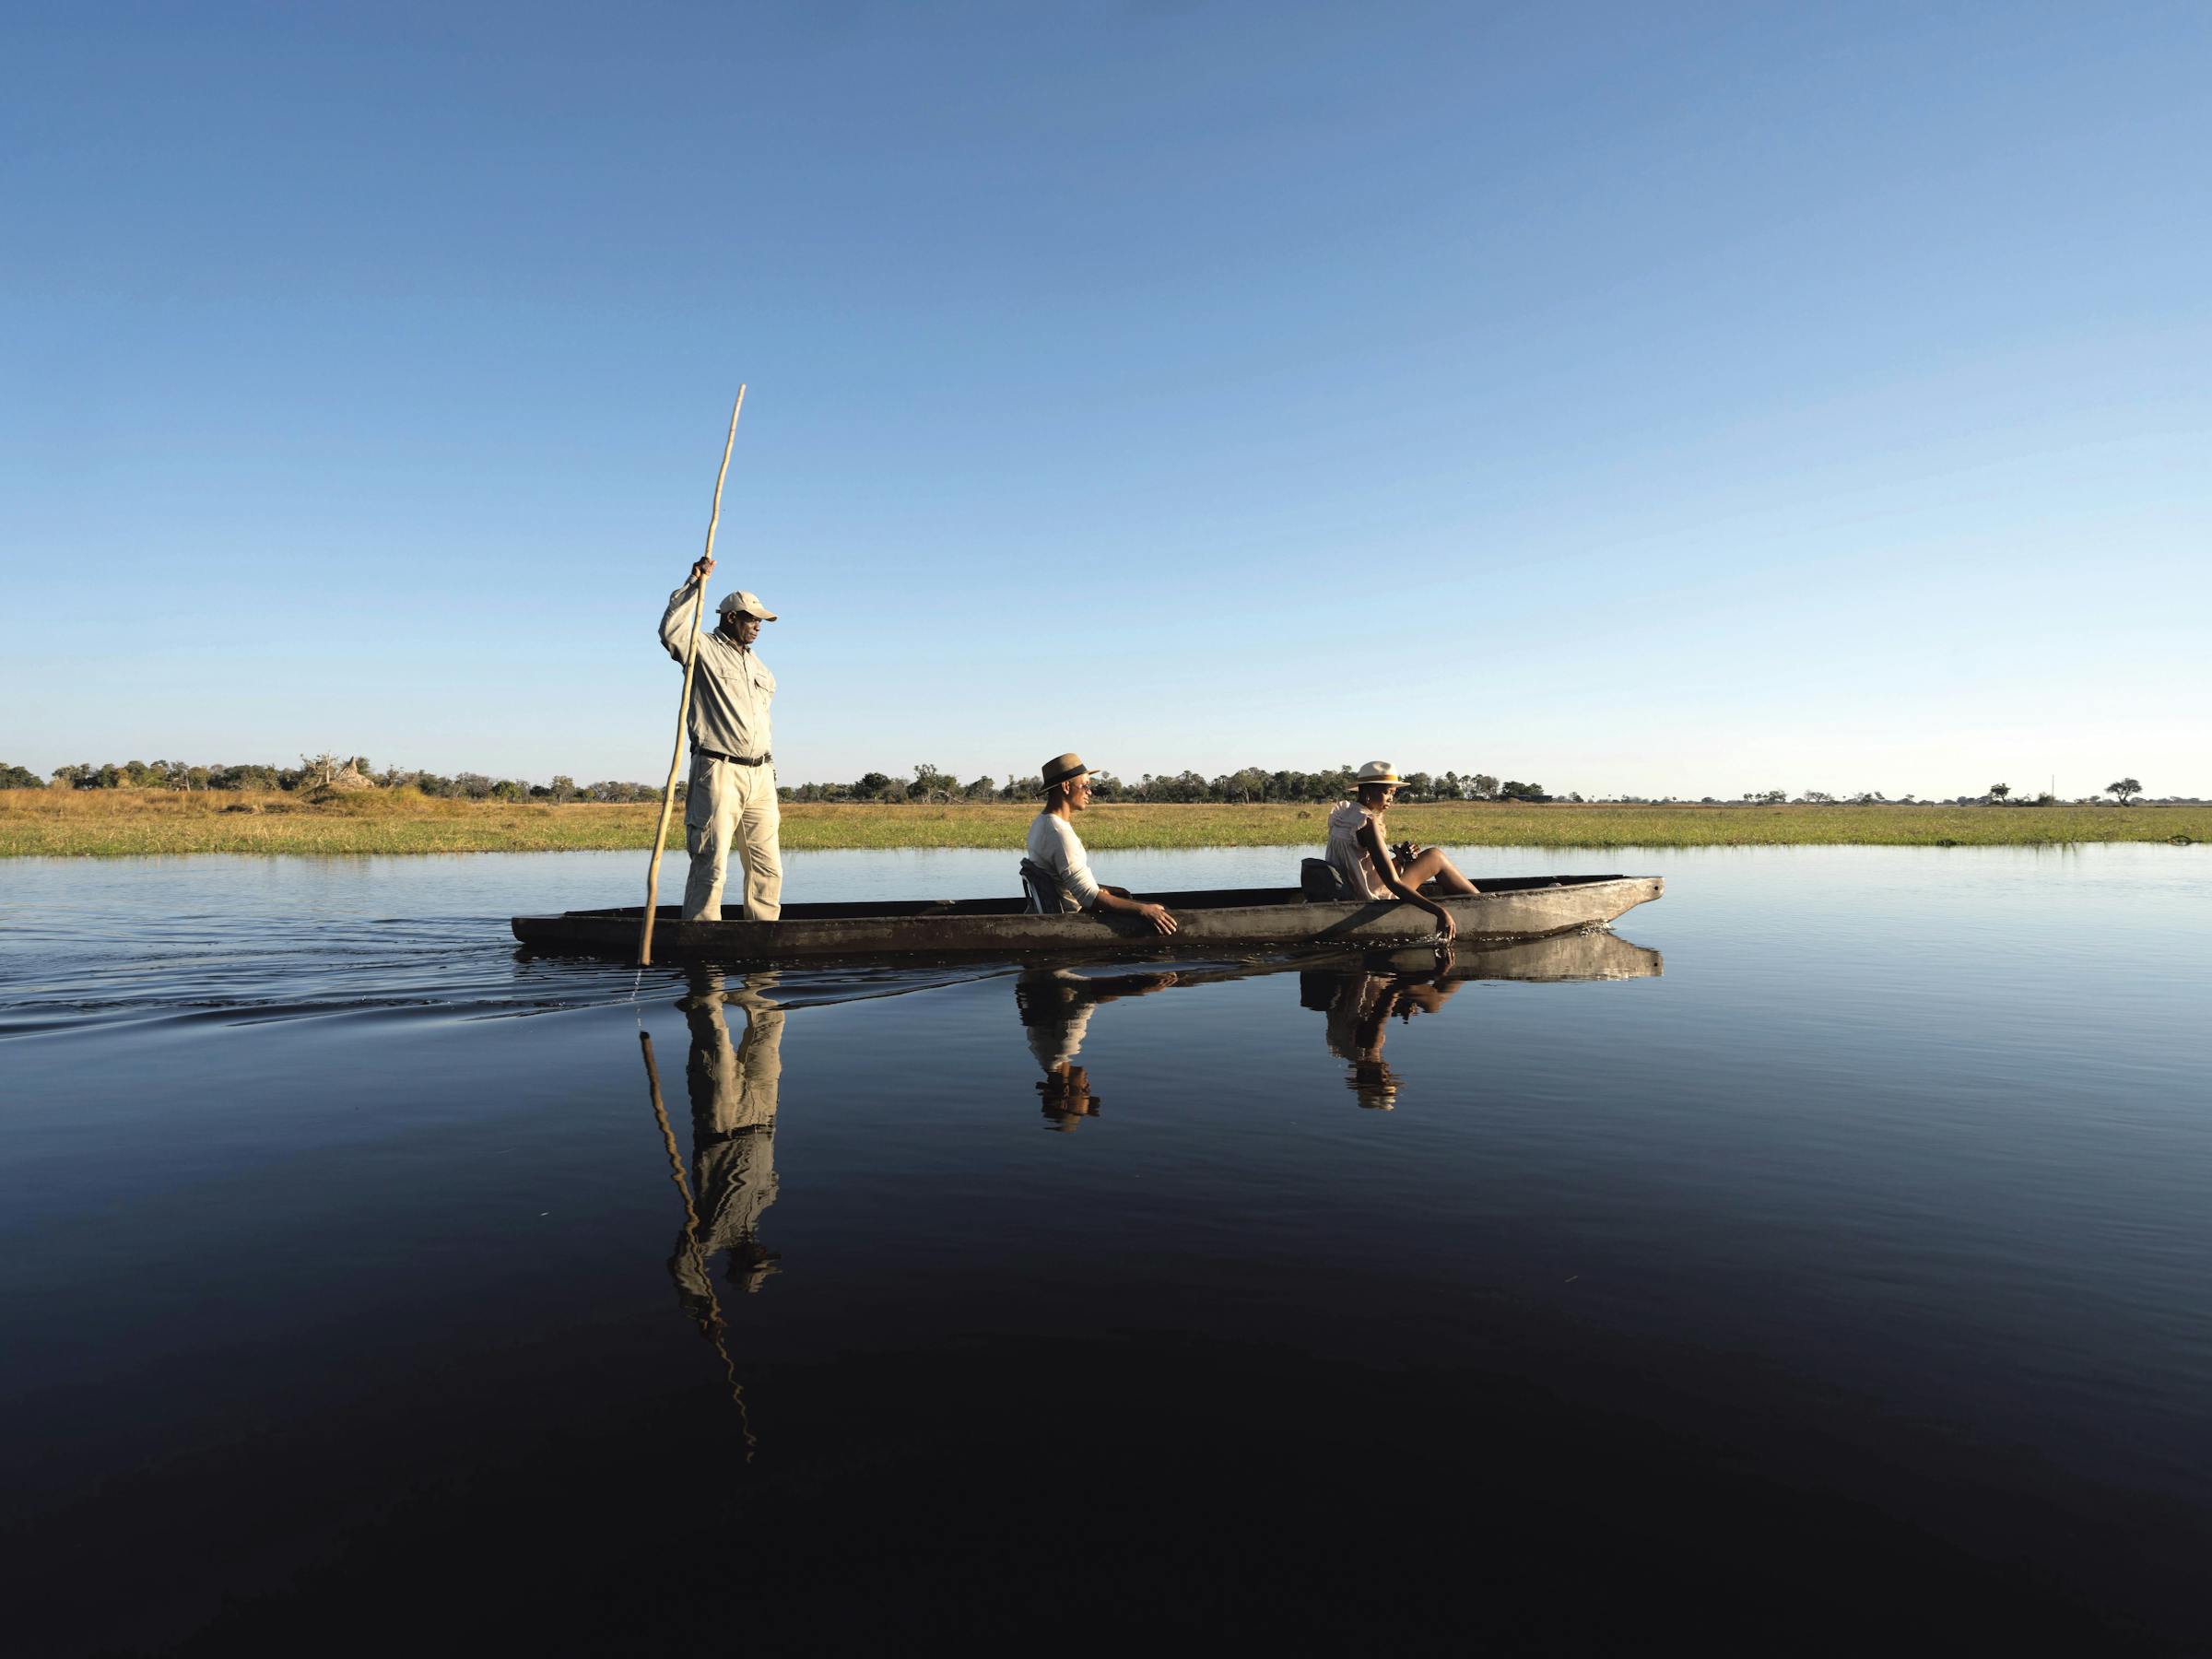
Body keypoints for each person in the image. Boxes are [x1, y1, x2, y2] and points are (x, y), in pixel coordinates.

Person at [660, 553, 781, 922]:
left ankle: (764, 937)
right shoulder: (705, 650)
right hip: (718, 768)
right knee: (711, 862)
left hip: (761, 775)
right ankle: (701, 938)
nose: (758, 626)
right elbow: (672, 633)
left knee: (768, 867)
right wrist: (695, 585)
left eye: (762, 621)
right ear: (731, 617)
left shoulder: (759, 666)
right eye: (752, 619)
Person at [1023, 753, 1178, 935]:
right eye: (1085, 786)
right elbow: (1088, 897)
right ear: (1066, 786)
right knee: (1162, 910)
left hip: (1069, 907)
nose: (1090, 792)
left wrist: (1103, 890)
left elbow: (1064, 881)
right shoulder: (1059, 834)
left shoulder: (1041, 823)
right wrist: (1143, 910)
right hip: (1074, 919)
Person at [1324, 761, 1478, 939]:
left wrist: (1399, 860)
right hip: (1370, 897)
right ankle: (1487, 905)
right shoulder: (1367, 823)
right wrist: (1439, 911)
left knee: (1430, 857)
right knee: (1435, 856)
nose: (1391, 799)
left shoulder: (1343, 814)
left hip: (1350, 892)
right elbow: (1392, 883)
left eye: (1393, 793)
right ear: (1367, 791)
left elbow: (1361, 868)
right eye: (1386, 792)